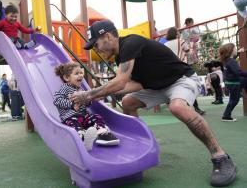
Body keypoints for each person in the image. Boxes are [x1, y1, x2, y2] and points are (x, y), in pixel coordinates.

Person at [70, 20, 237, 187]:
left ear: (107, 36)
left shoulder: (130, 43)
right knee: (128, 103)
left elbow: (120, 82)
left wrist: (89, 94)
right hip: (158, 87)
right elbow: (135, 84)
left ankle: (220, 157)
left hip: (181, 79)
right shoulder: (121, 56)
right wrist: (103, 93)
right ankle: (145, 147)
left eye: (96, 44)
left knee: (177, 107)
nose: (96, 49)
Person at [53, 62, 119, 150]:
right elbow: (57, 101)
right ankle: (82, 138)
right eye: (76, 73)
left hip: (83, 118)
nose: (80, 75)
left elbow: (86, 104)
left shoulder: (81, 89)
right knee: (74, 124)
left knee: (96, 117)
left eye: (81, 73)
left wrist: (88, 101)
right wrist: (72, 105)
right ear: (66, 77)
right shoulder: (64, 88)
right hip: (70, 118)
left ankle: (102, 133)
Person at [164, 27, 205, 115]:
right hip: (181, 67)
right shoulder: (180, 41)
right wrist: (192, 46)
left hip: (170, 68)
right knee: (191, 85)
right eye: (178, 32)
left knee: (173, 87)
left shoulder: (166, 44)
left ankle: (175, 105)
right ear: (176, 34)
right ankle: (196, 108)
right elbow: (188, 51)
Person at [219, 43, 247, 122]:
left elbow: (234, 57)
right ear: (231, 51)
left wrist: (239, 52)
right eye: (235, 48)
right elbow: (238, 72)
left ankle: (226, 115)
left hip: (230, 83)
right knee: (234, 100)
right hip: (234, 83)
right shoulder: (232, 61)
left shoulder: (227, 60)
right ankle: (226, 116)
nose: (236, 49)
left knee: (233, 99)